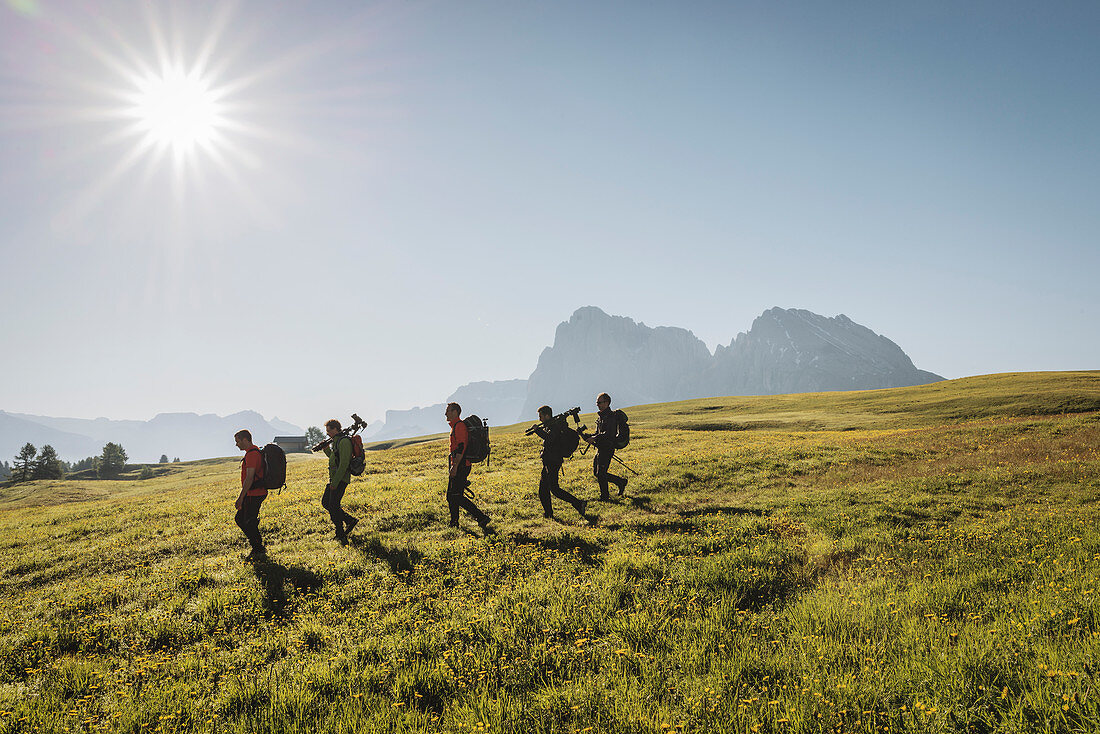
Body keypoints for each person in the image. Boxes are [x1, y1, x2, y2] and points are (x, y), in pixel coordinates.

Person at [532, 405, 587, 520]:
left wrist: (538, 431)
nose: (540, 419)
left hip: (553, 461)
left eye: (541, 416)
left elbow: (550, 439)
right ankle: (549, 514)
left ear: (547, 415)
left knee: (554, 489)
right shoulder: (551, 425)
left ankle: (578, 503)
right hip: (549, 460)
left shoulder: (555, 426)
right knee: (543, 490)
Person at [445, 402, 492, 532]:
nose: (445, 414)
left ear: (455, 412)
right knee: (451, 496)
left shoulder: (459, 426)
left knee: (456, 496)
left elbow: (461, 447)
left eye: (448, 411)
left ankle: (481, 517)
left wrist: (455, 467)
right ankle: (454, 523)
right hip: (460, 465)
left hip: (461, 465)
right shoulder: (455, 426)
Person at [583, 392, 628, 501]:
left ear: (607, 403)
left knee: (601, 473)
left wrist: (594, 438)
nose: (597, 404)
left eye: (599, 402)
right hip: (601, 448)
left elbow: (609, 434)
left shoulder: (610, 417)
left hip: (607, 448)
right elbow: (598, 433)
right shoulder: (601, 417)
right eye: (597, 402)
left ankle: (605, 497)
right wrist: (587, 436)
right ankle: (620, 482)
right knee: (597, 473)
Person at [321, 418, 359, 544]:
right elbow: (334, 458)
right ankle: (349, 520)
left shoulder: (344, 442)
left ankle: (340, 533)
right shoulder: (336, 442)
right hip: (334, 479)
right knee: (326, 503)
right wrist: (326, 449)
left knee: (333, 506)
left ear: (336, 429)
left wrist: (335, 483)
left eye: (329, 431)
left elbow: (343, 464)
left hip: (340, 479)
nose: (327, 433)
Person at [233, 429, 267, 560]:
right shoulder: (252, 452)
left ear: (245, 440)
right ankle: (257, 546)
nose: (236, 444)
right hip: (254, 492)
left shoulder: (252, 454)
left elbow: (250, 478)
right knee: (243, 519)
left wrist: (241, 498)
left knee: (246, 521)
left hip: (255, 493)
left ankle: (258, 548)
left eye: (238, 441)